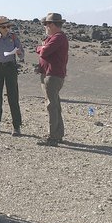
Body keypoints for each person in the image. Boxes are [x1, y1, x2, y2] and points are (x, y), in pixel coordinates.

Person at [0, 16, 24, 136]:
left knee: (13, 96)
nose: (7, 29)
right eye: (4, 27)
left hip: (10, 67)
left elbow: (21, 54)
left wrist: (19, 53)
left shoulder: (14, 38)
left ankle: (16, 126)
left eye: (8, 26)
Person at [35, 13, 69, 147]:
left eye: (47, 24)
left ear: (52, 25)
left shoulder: (58, 38)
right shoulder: (55, 38)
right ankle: (57, 133)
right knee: (55, 104)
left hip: (52, 76)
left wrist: (40, 47)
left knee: (52, 106)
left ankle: (53, 136)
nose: (45, 27)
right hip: (51, 74)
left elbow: (44, 51)